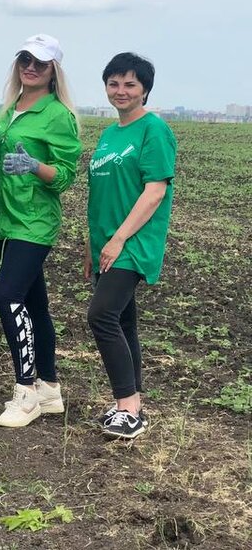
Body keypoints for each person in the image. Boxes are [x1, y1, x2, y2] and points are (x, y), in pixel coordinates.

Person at [0, 34, 81, 428]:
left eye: (40, 63)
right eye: (25, 59)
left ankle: (25, 391)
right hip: (5, 219)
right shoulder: (10, 108)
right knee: (36, 305)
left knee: (7, 294)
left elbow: (65, 175)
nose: (31, 67)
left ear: (53, 71)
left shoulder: (58, 114)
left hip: (34, 222)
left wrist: (34, 167)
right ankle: (50, 388)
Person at [87, 53, 175, 440]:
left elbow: (154, 191)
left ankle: (128, 407)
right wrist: (95, 248)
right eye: (114, 83)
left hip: (133, 242)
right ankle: (131, 401)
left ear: (145, 90)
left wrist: (120, 239)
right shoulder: (110, 134)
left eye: (130, 84)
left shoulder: (153, 129)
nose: (121, 91)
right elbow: (104, 195)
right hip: (108, 242)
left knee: (101, 316)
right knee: (122, 320)